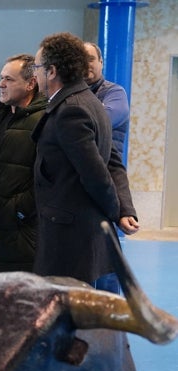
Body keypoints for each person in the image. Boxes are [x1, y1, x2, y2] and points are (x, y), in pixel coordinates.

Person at [31, 32, 121, 284]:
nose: (34, 74)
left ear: (51, 71)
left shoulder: (71, 110)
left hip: (70, 238)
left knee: (70, 316)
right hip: (75, 230)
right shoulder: (88, 101)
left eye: (36, 68)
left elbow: (96, 174)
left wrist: (113, 212)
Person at [0, 54, 47, 273]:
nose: (0, 84)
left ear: (30, 83)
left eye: (9, 79)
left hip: (24, 232)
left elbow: (49, 176)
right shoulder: (1, 119)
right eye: (1, 78)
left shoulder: (44, 120)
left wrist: (20, 210)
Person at [84, 41, 140, 293]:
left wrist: (70, 116)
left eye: (91, 58)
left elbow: (100, 122)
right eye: (80, 59)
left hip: (109, 185)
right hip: (80, 187)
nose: (86, 64)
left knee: (108, 259)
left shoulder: (114, 93)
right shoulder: (72, 95)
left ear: (101, 62)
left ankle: (107, 321)